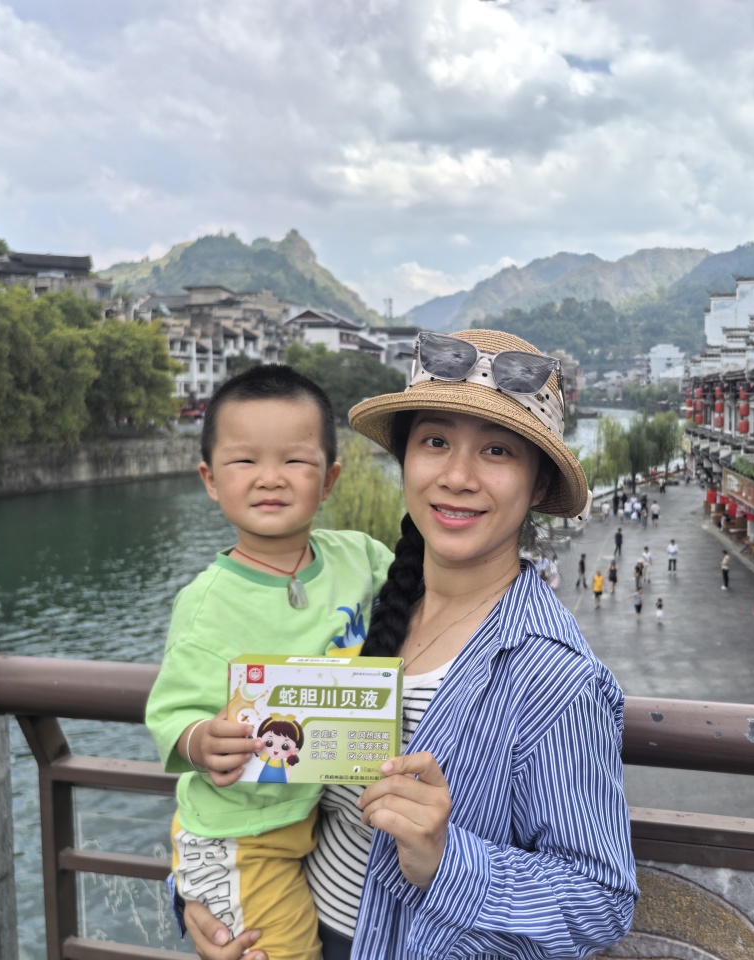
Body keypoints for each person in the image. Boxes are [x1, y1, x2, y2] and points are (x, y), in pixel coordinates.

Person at [182, 329, 637, 960]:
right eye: (435, 442)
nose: (457, 476)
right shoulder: (358, 608)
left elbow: (601, 901)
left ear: (536, 486)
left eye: (498, 451)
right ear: (406, 460)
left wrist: (447, 860)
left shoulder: (553, 676)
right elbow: (257, 777)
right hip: (290, 930)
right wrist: (210, 900)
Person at [145, 365, 394, 960]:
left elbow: (428, 596)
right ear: (210, 479)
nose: (270, 478)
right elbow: (170, 711)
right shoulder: (206, 604)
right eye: (244, 461)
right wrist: (201, 740)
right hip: (239, 838)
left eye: (295, 461)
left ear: (329, 479)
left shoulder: (359, 558)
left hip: (303, 818)